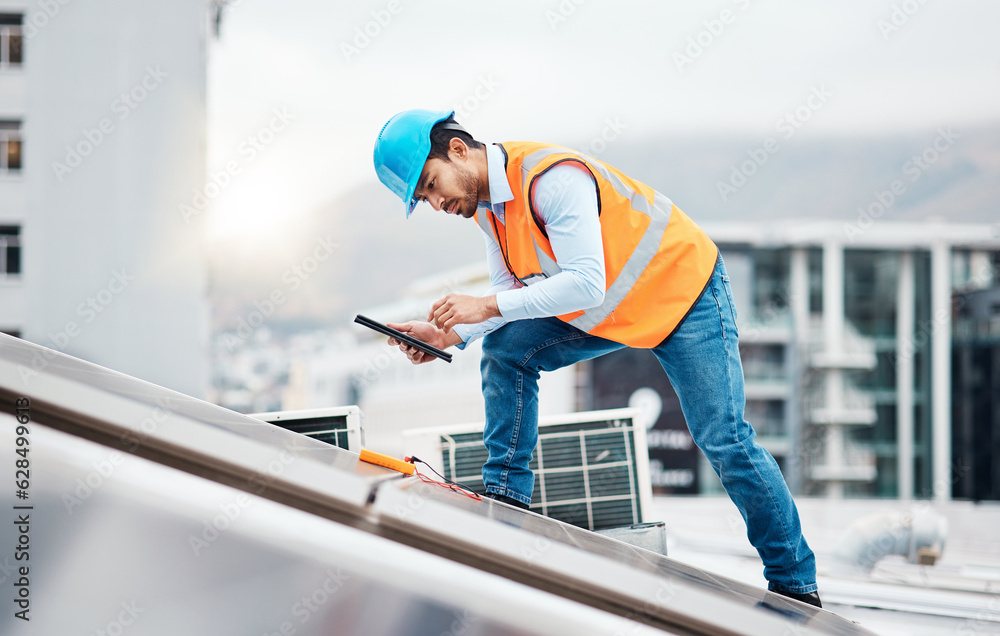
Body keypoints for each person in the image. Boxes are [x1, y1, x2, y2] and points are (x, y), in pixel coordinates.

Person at [372, 108, 822, 608]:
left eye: (432, 185)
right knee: (505, 351)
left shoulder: (551, 179)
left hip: (684, 295)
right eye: (424, 198)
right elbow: (508, 295)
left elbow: (585, 280)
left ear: (458, 149)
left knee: (726, 441)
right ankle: (506, 501)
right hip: (609, 310)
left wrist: (485, 306)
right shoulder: (488, 211)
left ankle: (795, 584)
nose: (438, 204)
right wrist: (446, 337)